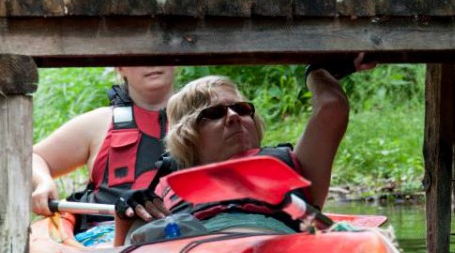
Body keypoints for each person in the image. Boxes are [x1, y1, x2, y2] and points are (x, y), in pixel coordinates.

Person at [115, 55, 374, 235]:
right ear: (188, 134)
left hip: (284, 250)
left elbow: (332, 107)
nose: (234, 116)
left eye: (241, 108)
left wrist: (317, 71)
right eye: (214, 114)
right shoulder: (163, 190)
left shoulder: (296, 168)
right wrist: (123, 217)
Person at [30, 66, 176, 225]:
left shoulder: (202, 118)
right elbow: (33, 158)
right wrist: (43, 182)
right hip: (105, 239)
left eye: (156, 51)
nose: (150, 62)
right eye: (140, 55)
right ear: (120, 68)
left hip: (189, 233)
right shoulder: (97, 123)